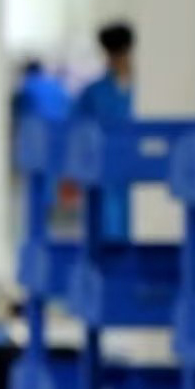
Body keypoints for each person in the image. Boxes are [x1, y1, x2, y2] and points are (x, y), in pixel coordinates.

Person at [73, 22, 136, 240]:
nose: (117, 59)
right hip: (104, 173)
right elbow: (78, 133)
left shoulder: (145, 90)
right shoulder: (93, 93)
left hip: (135, 170)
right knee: (108, 226)